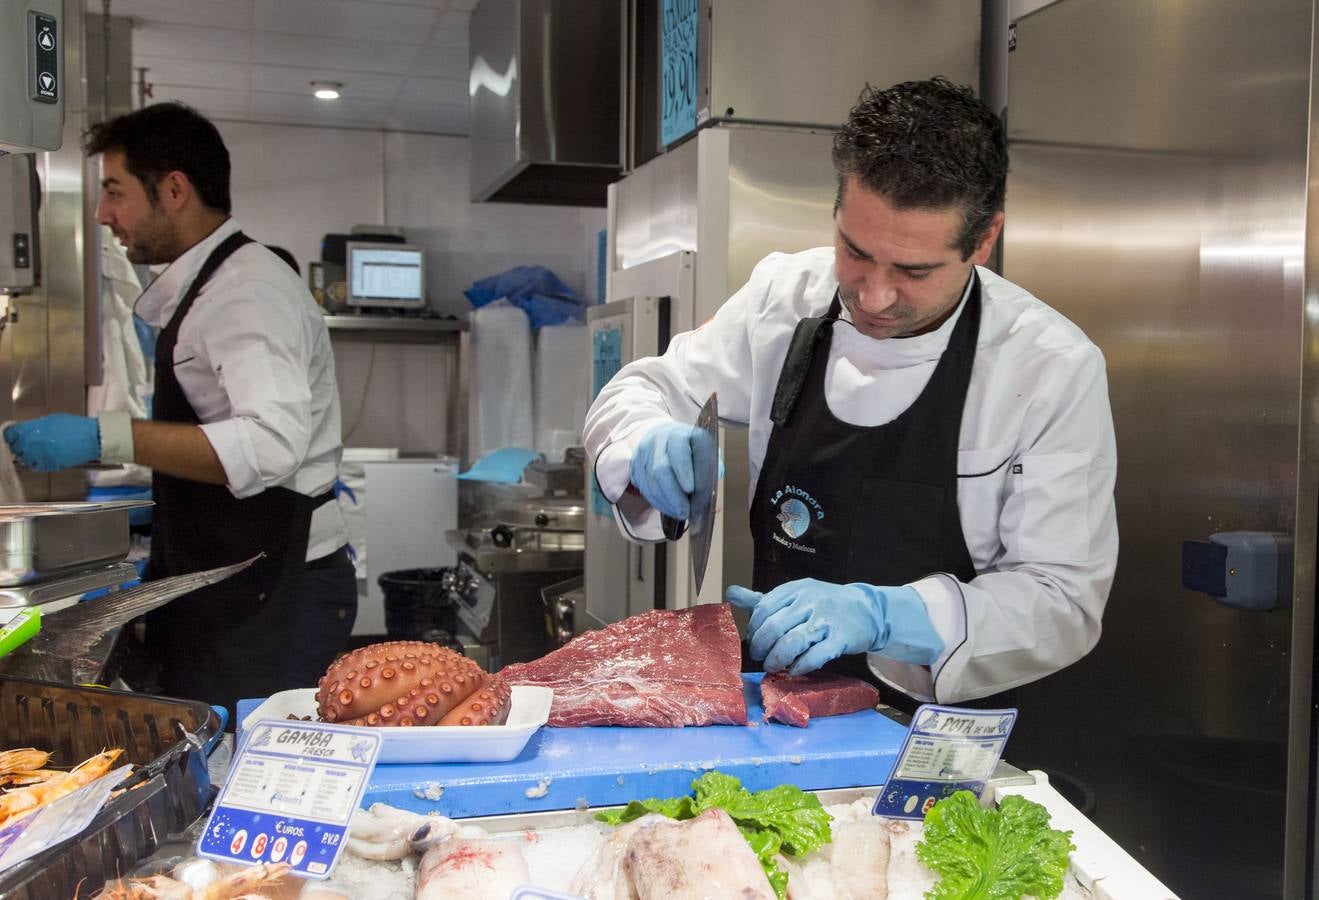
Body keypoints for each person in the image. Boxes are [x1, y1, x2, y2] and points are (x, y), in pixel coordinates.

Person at [585, 78, 1118, 706]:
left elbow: (1062, 601)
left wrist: (885, 615)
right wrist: (645, 443)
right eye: (855, 252)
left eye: (914, 271)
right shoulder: (785, 299)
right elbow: (644, 387)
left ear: (984, 240)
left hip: (942, 737)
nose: (874, 295)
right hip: (778, 712)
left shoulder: (1048, 366)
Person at [3, 102, 355, 713]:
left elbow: (269, 446)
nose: (102, 213)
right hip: (240, 577)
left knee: (249, 771)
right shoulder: (212, 283)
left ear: (173, 189)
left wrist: (107, 437)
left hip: (275, 592)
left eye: (115, 191)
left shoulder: (245, 292)